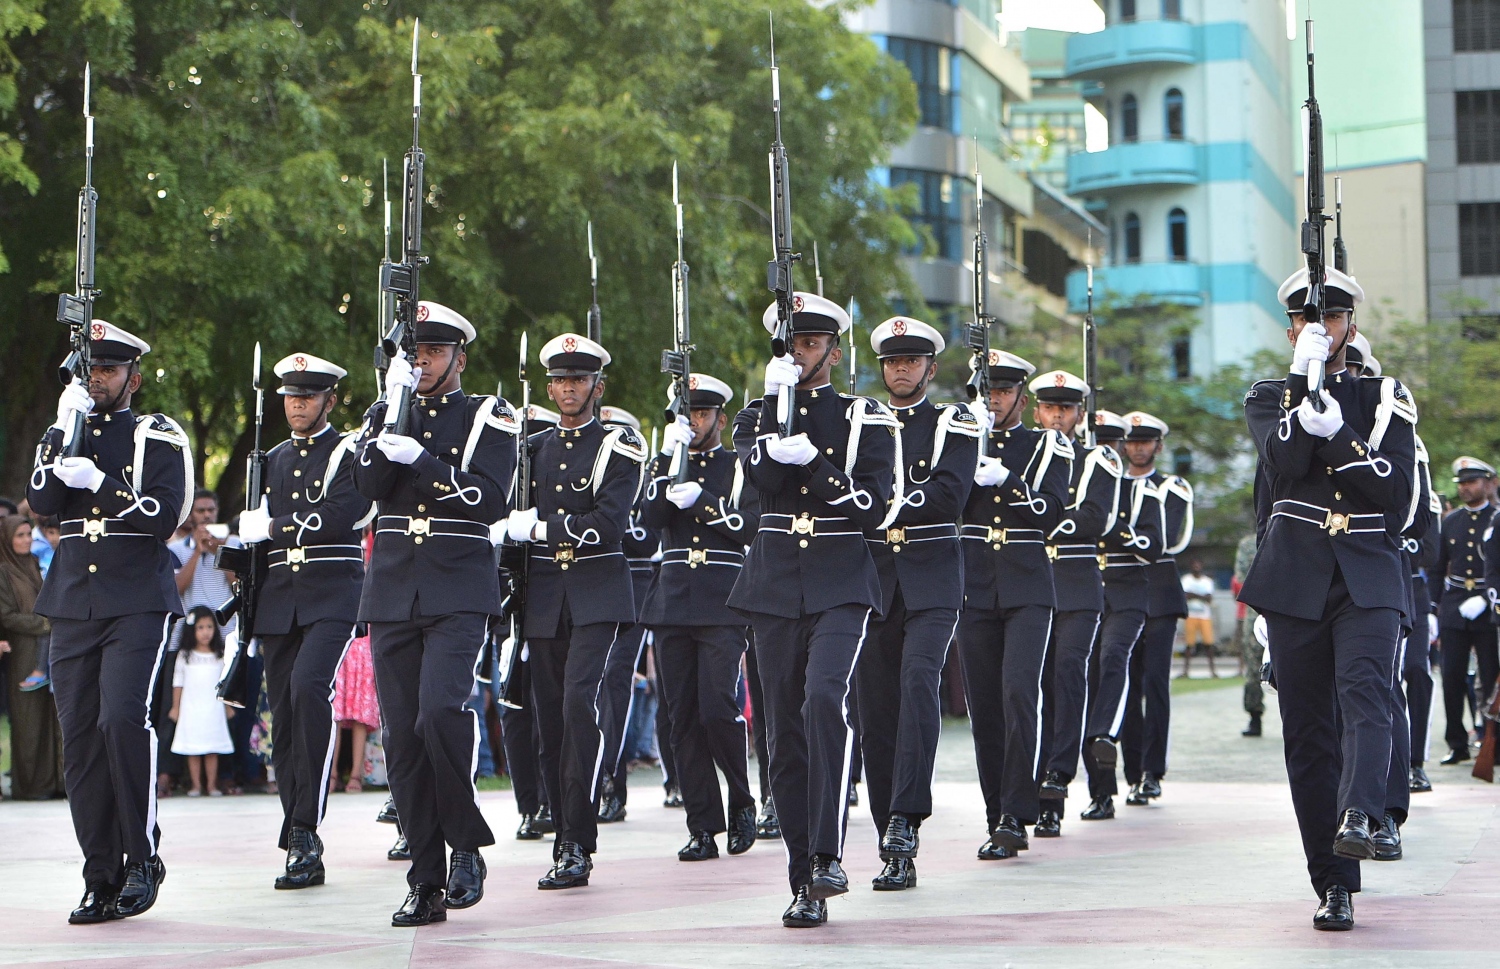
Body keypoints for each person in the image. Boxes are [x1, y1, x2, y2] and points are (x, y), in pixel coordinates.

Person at [1242, 265, 1416, 930]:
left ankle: (1360, 809)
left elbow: (1395, 495)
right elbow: (1282, 467)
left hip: (1368, 572)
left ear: (1351, 323)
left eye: (1333, 319)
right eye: (1308, 321)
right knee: (1308, 735)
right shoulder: (1267, 396)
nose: (1322, 329)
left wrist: (1340, 435)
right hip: (1295, 577)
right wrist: (1299, 386)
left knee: (1368, 692)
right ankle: (1333, 880)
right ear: (1291, 328)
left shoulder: (1387, 397)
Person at [729, 292, 896, 927]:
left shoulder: (867, 416)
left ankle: (829, 855)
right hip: (773, 583)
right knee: (781, 730)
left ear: (832, 348)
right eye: (788, 343)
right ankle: (803, 877)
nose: (797, 354)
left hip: (841, 579)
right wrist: (777, 419)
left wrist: (818, 466)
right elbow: (761, 487)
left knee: (824, 700)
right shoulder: (753, 417)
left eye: (808, 343)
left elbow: (875, 507)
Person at [353, 300, 519, 926]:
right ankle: (424, 878)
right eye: (412, 351)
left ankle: (465, 844)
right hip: (393, 590)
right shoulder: (383, 410)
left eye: (432, 351)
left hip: (457, 588)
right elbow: (366, 491)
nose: (420, 361)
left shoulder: (488, 415)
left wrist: (420, 462)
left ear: (459, 357)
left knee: (438, 714)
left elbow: (486, 499)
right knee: (400, 737)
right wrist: (390, 412)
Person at [28, 320, 191, 923]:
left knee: (120, 720)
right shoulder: (62, 428)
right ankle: (100, 872)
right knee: (79, 741)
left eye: (109, 369)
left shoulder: (158, 435)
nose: (96, 379)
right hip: (72, 600)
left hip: (135, 599)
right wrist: (64, 432)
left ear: (133, 377)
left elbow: (163, 515)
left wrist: (100, 482)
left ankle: (142, 855)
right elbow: (42, 502)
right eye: (90, 368)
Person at [500, 332, 643, 891]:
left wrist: (540, 528)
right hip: (544, 598)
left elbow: (607, 523)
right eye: (559, 380)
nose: (566, 389)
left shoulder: (618, 446)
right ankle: (562, 832)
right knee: (550, 717)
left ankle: (578, 841)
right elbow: (512, 526)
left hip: (597, 591)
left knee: (580, 703)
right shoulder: (531, 449)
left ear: (597, 387)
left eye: (577, 380)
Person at [236, 352, 374, 889]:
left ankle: (306, 830)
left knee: (309, 688)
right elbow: (256, 541)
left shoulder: (348, 452)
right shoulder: (268, 459)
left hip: (333, 594)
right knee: (285, 715)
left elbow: (346, 512)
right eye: (291, 396)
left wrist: (271, 525)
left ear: (330, 400)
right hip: (279, 598)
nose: (297, 405)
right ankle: (295, 825)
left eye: (308, 396)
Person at [852, 318, 978, 888]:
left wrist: (883, 504)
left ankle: (907, 817)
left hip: (931, 575)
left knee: (917, 683)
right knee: (876, 709)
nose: (900, 369)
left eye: (912, 360)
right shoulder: (860, 422)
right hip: (875, 577)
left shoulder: (955, 420)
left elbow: (951, 491)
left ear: (931, 368)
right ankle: (889, 838)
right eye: (891, 361)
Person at [640, 373, 761, 863]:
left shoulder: (737, 466)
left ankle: (741, 800)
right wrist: (668, 467)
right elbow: (643, 529)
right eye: (684, 414)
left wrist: (706, 505)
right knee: (682, 719)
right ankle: (702, 825)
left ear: (720, 418)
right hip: (671, 602)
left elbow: (749, 527)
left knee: (717, 708)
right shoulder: (664, 463)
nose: (692, 423)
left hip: (721, 599)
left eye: (701, 414)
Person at [1032, 375, 1122, 838]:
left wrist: (1032, 514)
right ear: (1036, 412)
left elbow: (1093, 518)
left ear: (1081, 415)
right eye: (1049, 408)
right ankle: (1026, 785)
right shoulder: (1024, 454)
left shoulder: (1098, 458)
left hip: (1076, 583)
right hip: (1028, 581)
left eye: (1067, 409)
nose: (1058, 417)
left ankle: (1056, 781)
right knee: (1029, 686)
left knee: (1068, 674)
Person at [1080, 411, 1164, 821]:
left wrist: (1106, 525)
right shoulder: (1078, 481)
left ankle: (1106, 735)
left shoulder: (1141, 491)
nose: (1110, 453)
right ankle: (1100, 792)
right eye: (1103, 443)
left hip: (1128, 591)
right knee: (1081, 682)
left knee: (1115, 658)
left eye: (1115, 444)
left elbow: (1153, 544)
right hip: (1081, 587)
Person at [1118, 415, 1193, 807]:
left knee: (1154, 685)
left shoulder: (1172, 486)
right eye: (1131, 441)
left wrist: (1121, 533)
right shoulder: (1110, 481)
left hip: (1159, 594)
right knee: (1124, 687)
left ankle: (1152, 771)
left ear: (1158, 446)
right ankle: (1133, 771)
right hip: (1118, 593)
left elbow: (1167, 538)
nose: (1137, 447)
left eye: (1146, 441)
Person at [594, 404, 659, 825]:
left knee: (615, 680)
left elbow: (646, 537)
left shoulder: (644, 481)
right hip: (590, 585)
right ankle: (592, 777)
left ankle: (613, 782)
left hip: (633, 590)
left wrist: (604, 525)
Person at [165, 489, 245, 796]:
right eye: (200, 511)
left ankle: (227, 776)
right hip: (187, 640)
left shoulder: (235, 544)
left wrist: (219, 551)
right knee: (181, 711)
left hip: (227, 639)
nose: (206, 516)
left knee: (231, 710)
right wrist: (198, 552)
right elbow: (177, 589)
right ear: (190, 515)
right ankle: (178, 776)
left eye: (211, 510)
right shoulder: (177, 548)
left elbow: (238, 586)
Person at [1431, 457, 1498, 766]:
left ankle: (1492, 742)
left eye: (1472, 482)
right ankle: (1456, 742)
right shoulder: (1452, 520)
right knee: (1452, 678)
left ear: (1487, 483)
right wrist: (1433, 608)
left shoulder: (1496, 519)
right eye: (1462, 483)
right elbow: (1436, 566)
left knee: (1490, 678)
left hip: (1488, 608)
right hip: (1456, 604)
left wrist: (1488, 597)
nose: (1466, 488)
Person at [0, 514, 65, 799]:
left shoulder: (33, 565)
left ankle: (54, 782)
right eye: (20, 536)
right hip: (22, 653)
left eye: (28, 534)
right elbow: (6, 616)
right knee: (28, 719)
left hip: (46, 651)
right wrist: (44, 623)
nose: (26, 540)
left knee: (51, 716)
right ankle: (29, 786)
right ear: (7, 540)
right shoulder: (3, 571)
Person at [168, 607, 234, 796]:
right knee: (193, 749)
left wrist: (228, 706)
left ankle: (212, 785)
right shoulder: (185, 656)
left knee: (212, 749)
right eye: (200, 627)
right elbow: (178, 682)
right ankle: (196, 785)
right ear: (192, 630)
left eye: (209, 627)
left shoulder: (220, 654)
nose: (205, 632)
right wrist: (175, 707)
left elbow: (225, 683)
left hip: (213, 708)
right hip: (191, 707)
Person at [1234, 532, 1264, 735]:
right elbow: (1241, 575)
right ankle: (1254, 717)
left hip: (1293, 608)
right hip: (1257, 608)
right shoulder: (1248, 544)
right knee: (1253, 667)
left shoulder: (1296, 533)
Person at [1179, 562, 1215, 677]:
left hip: (1204, 615)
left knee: (1208, 644)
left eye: (1198, 566)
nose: (1196, 568)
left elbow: (1209, 598)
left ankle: (1213, 671)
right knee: (1189, 644)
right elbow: (1185, 595)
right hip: (1191, 615)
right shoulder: (1186, 580)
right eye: (1194, 566)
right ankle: (1185, 671)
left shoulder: (1207, 581)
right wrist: (1201, 596)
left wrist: (1193, 595)